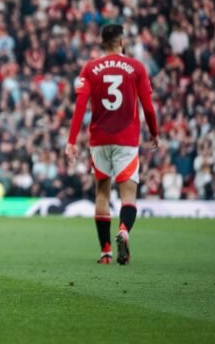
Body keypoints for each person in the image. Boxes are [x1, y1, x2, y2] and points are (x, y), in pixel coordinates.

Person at [65, 24, 159, 265]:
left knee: (102, 192)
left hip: (99, 139)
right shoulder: (137, 68)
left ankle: (105, 251)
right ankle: (124, 230)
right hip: (126, 139)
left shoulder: (90, 68)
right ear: (122, 41)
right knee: (128, 195)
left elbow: (80, 106)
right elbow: (147, 106)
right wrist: (154, 133)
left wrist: (71, 141)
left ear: (101, 42)